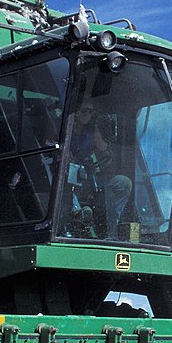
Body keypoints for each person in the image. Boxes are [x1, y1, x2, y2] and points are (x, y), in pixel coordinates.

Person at [70, 101, 131, 240]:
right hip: (69, 175)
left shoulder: (89, 132)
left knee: (123, 182)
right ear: (75, 113)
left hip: (89, 178)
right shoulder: (65, 130)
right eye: (85, 110)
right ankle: (76, 212)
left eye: (91, 112)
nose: (88, 115)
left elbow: (102, 148)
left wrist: (100, 135)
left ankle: (112, 226)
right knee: (69, 173)